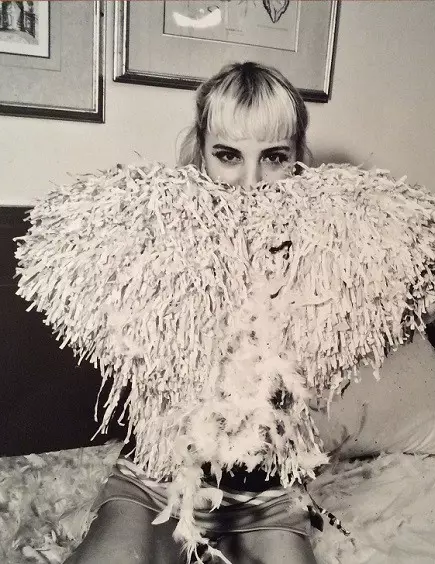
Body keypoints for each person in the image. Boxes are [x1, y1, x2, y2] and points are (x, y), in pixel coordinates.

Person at [63, 61, 318, 564]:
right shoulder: (157, 245)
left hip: (265, 497)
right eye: (228, 155)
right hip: (156, 481)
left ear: (297, 161)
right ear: (200, 153)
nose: (250, 183)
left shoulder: (324, 261)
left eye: (273, 157)